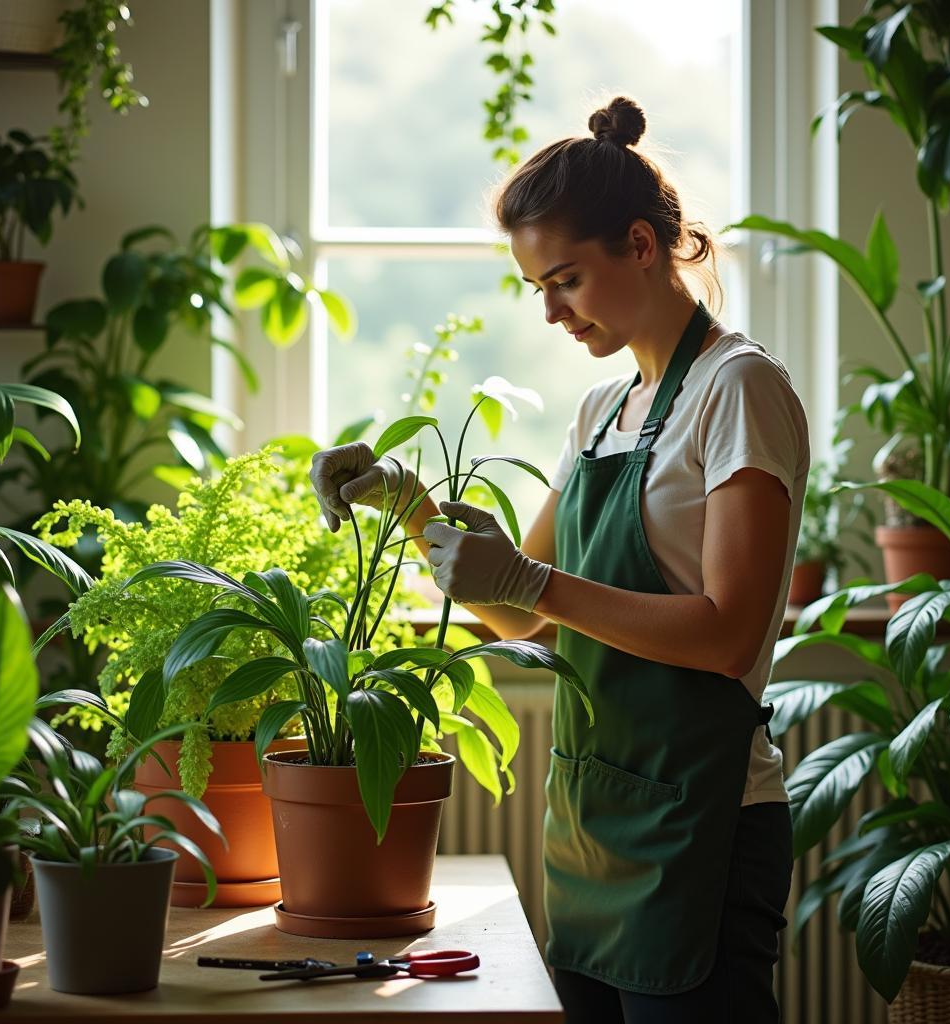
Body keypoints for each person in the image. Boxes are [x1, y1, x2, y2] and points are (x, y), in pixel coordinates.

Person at [310, 96, 808, 1024]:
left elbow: (730, 635)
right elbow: (519, 616)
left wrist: (530, 581)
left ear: (642, 245)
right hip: (591, 827)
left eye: (567, 279)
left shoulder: (740, 391)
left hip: (704, 827)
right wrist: (406, 502)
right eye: (538, 288)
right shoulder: (600, 412)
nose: (550, 311)